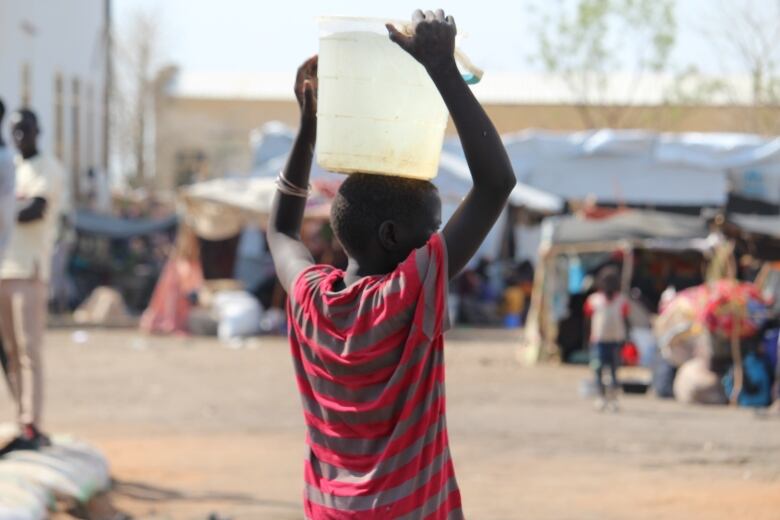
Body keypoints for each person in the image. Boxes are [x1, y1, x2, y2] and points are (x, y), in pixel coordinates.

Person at [267, 9, 516, 518]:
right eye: (433, 228)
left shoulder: (312, 299)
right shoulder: (404, 295)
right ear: (391, 237)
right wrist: (441, 69)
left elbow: (281, 231)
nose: (438, 240)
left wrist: (309, 128)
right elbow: (495, 185)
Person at [0, 108, 65, 454]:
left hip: (29, 269)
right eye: (15, 130)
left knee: (29, 351)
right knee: (10, 353)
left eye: (25, 129)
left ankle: (32, 425)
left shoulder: (46, 168)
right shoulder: (13, 168)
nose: (20, 136)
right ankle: (20, 419)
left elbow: (34, 210)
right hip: (4, 269)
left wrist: (4, 212)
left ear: (38, 130)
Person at [584, 266, 630, 411]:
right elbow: (588, 318)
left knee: (613, 371)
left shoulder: (621, 300)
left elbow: (625, 318)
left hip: (615, 340)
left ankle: (613, 399)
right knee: (599, 370)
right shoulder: (594, 300)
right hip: (599, 340)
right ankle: (601, 397)